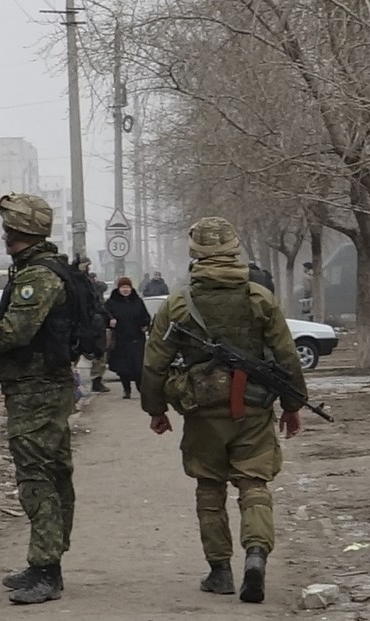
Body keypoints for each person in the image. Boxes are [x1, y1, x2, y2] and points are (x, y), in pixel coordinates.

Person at [140, 216, 305, 604]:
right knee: (254, 484)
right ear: (234, 250)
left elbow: (154, 363)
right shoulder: (259, 298)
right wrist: (292, 405)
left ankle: (219, 572)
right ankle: (256, 555)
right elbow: (287, 356)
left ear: (195, 254)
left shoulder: (178, 303)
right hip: (254, 408)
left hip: (202, 412)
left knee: (209, 486)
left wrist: (156, 408)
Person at [0, 193, 74, 605]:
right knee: (56, 473)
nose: (4, 234)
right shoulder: (40, 269)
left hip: (37, 390)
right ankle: (47, 562)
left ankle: (46, 569)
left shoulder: (37, 277)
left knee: (37, 477)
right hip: (46, 387)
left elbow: (15, 331)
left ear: (23, 231)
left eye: (9, 228)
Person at [104, 277, 151, 399]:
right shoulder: (111, 302)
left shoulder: (137, 301)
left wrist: (145, 324)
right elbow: (103, 316)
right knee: (123, 368)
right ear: (119, 288)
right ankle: (126, 390)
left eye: (127, 287)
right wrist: (110, 321)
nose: (125, 290)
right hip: (120, 340)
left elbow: (145, 316)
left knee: (138, 367)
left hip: (137, 339)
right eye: (123, 287)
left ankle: (142, 390)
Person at [74, 259, 110, 393]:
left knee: (99, 354)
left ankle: (97, 381)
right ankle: (74, 387)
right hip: (79, 325)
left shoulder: (92, 286)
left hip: (95, 324)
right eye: (85, 267)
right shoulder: (74, 283)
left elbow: (98, 303)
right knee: (74, 356)